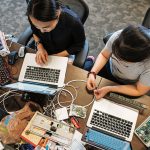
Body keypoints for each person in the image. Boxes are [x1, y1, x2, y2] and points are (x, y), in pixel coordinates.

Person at [87, 25, 150, 99]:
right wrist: (93, 73)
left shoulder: (148, 65)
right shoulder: (119, 36)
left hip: (129, 85)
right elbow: (104, 55)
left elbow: (138, 90)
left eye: (124, 61)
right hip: (109, 68)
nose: (118, 61)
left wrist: (110, 89)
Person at [26, 0, 85, 65]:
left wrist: (57, 56)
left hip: (64, 51)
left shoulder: (74, 22)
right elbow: (35, 32)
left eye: (46, 27)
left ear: (58, 13)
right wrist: (40, 47)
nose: (41, 31)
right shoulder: (32, 15)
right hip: (42, 47)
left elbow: (79, 45)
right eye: (37, 26)